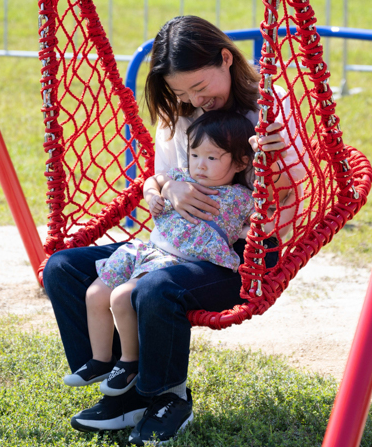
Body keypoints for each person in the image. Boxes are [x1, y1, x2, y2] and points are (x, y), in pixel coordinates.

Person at [43, 15, 299, 446]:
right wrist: (162, 187)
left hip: (237, 253)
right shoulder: (181, 113)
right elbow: (161, 178)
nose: (196, 100)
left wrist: (273, 160)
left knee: (154, 289)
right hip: (174, 243)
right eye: (182, 92)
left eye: (200, 87)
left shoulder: (270, 111)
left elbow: (290, 203)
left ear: (225, 59)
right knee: (63, 268)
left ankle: (165, 396)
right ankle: (123, 385)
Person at [62, 110, 256, 398]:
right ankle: (101, 360)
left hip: (177, 263)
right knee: (95, 294)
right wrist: (154, 194)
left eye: (212, 158)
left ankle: (129, 363)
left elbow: (268, 217)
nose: (200, 165)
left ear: (240, 162)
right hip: (145, 250)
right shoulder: (180, 176)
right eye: (194, 155)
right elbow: (152, 180)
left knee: (120, 297)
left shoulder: (240, 197)